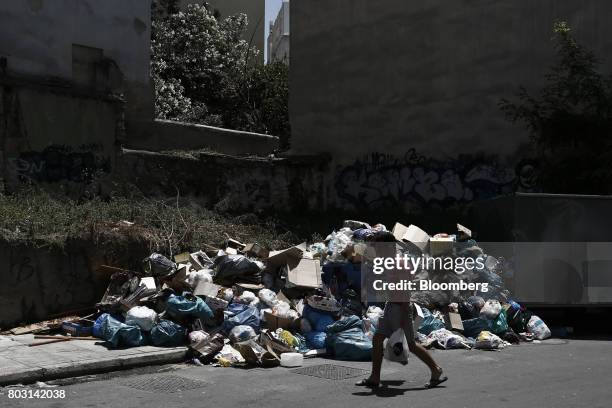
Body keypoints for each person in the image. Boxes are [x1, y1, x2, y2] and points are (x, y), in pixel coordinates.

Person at [356, 301, 447, 388]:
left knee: (410, 344)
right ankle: (374, 377)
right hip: (390, 306)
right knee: (377, 339)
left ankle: (435, 369)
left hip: (400, 310)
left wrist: (403, 317)